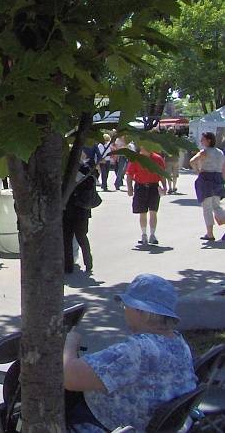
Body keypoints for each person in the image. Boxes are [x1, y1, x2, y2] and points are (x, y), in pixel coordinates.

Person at [63, 274, 197, 432]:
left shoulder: (139, 350)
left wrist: (70, 342)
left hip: (106, 425)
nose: (125, 310)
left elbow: (69, 378)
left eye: (126, 306)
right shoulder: (179, 343)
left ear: (142, 311)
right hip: (163, 425)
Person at [125, 146, 167, 245]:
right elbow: (129, 174)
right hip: (140, 187)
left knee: (153, 211)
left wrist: (165, 187)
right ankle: (144, 234)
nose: (144, 149)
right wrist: (130, 188)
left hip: (154, 187)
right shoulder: (136, 159)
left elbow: (162, 174)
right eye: (142, 147)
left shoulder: (157, 159)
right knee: (142, 212)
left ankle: (152, 235)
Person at [190, 131, 225, 241]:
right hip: (218, 178)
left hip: (206, 179)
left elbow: (192, 161)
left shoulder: (204, 152)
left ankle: (210, 234)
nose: (201, 141)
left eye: (203, 139)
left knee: (207, 208)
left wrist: (198, 171)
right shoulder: (220, 152)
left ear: (208, 140)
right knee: (216, 205)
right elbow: (223, 168)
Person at [64, 167, 97, 275]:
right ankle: (85, 263)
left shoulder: (69, 171)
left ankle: (70, 266)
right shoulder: (86, 170)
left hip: (73, 209)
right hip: (80, 210)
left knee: (72, 238)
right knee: (79, 237)